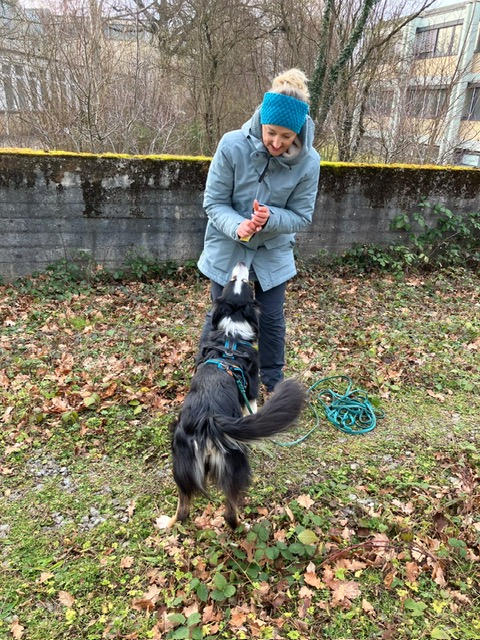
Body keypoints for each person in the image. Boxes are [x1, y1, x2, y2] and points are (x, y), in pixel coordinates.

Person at [197, 68, 320, 394]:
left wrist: (271, 218)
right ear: (261, 121)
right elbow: (214, 203)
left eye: (286, 137)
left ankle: (273, 381)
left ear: (298, 133)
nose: (277, 143)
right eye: (271, 133)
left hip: (272, 249)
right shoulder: (231, 145)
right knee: (222, 314)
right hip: (228, 245)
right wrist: (239, 225)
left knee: (271, 318)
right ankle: (210, 374)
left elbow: (301, 215)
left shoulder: (310, 163)